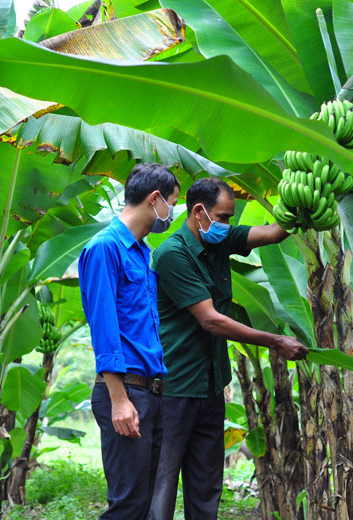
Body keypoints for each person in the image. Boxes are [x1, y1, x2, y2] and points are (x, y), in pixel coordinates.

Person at [149, 177, 308, 520]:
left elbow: (273, 233)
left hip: (211, 383)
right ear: (199, 212)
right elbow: (211, 320)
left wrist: (304, 202)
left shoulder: (218, 237)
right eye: (223, 217)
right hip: (176, 385)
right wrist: (275, 341)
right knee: (163, 482)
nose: (228, 225)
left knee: (207, 482)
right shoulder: (172, 255)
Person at [78, 163, 180, 520]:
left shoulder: (141, 252)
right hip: (125, 393)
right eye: (172, 202)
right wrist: (119, 400)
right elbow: (104, 328)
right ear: (155, 199)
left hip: (150, 393)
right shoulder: (105, 248)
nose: (172, 212)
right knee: (127, 506)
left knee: (144, 505)